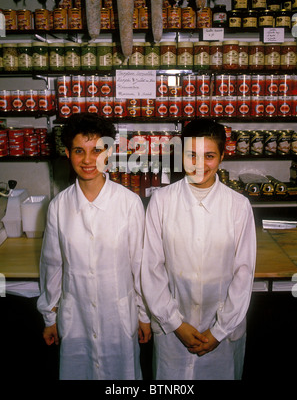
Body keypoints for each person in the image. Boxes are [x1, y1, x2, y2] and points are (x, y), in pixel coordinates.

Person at [37, 113, 151, 380]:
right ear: (67, 153)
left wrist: (143, 314)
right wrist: (49, 316)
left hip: (119, 318)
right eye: (79, 151)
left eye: (96, 150)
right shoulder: (58, 206)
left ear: (108, 152)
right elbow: (52, 266)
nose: (88, 160)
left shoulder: (129, 203)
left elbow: (140, 265)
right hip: (76, 318)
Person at [141, 119, 256, 380]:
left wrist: (219, 331)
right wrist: (175, 324)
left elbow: (244, 274)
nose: (199, 164)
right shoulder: (161, 201)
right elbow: (151, 268)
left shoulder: (238, 206)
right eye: (191, 154)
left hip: (224, 336)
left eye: (209, 156)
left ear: (223, 156)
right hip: (173, 333)